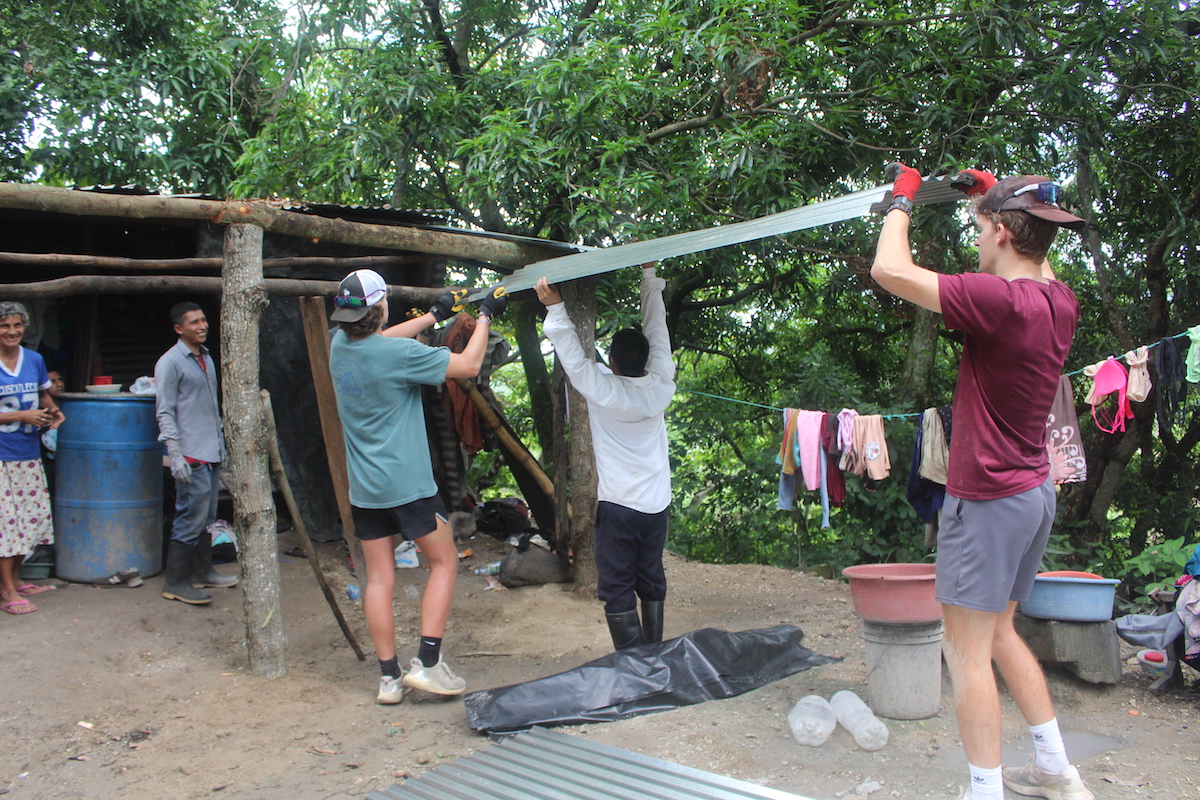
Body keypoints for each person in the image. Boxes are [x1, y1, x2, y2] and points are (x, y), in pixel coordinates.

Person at [871, 165, 1093, 800]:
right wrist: (986, 196)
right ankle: (1055, 770)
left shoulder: (998, 302)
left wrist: (901, 200)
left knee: (964, 653)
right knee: (998, 633)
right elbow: (1031, 254)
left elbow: (891, 270)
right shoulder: (1058, 300)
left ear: (1000, 232)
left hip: (989, 500)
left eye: (982, 229)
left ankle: (983, 791)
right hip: (1032, 496)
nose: (975, 240)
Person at [328, 269, 506, 704]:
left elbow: (380, 337)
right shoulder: (399, 357)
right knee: (445, 563)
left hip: (366, 489)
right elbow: (468, 365)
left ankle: (389, 679)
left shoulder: (338, 347)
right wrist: (484, 316)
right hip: (408, 485)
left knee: (379, 579)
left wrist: (433, 315)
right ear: (381, 307)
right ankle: (427, 664)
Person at [534, 265, 676, 651]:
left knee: (616, 586)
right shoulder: (661, 384)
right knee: (651, 576)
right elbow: (658, 333)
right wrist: (649, 279)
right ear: (646, 362)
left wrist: (555, 307)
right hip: (656, 506)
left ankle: (633, 665)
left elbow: (572, 360)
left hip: (618, 508)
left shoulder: (603, 389)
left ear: (611, 362)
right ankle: (654, 655)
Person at [155, 301, 239, 606]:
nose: (202, 326)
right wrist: (174, 454)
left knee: (207, 516)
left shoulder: (205, 358)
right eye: (194, 322)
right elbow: (165, 412)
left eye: (203, 320)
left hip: (210, 449)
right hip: (191, 453)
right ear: (179, 329)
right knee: (190, 516)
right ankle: (175, 581)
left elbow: (209, 407)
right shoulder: (170, 362)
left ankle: (205, 572)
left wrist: (221, 444)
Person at [0, 302, 64, 614]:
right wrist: (20, 414)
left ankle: (16, 577)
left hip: (27, 453)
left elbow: (42, 394)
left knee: (26, 520)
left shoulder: (34, 360)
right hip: (1, 456)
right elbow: (24, 409)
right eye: (4, 326)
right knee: (5, 525)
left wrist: (52, 409)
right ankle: (6, 590)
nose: (11, 332)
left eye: (16, 326)